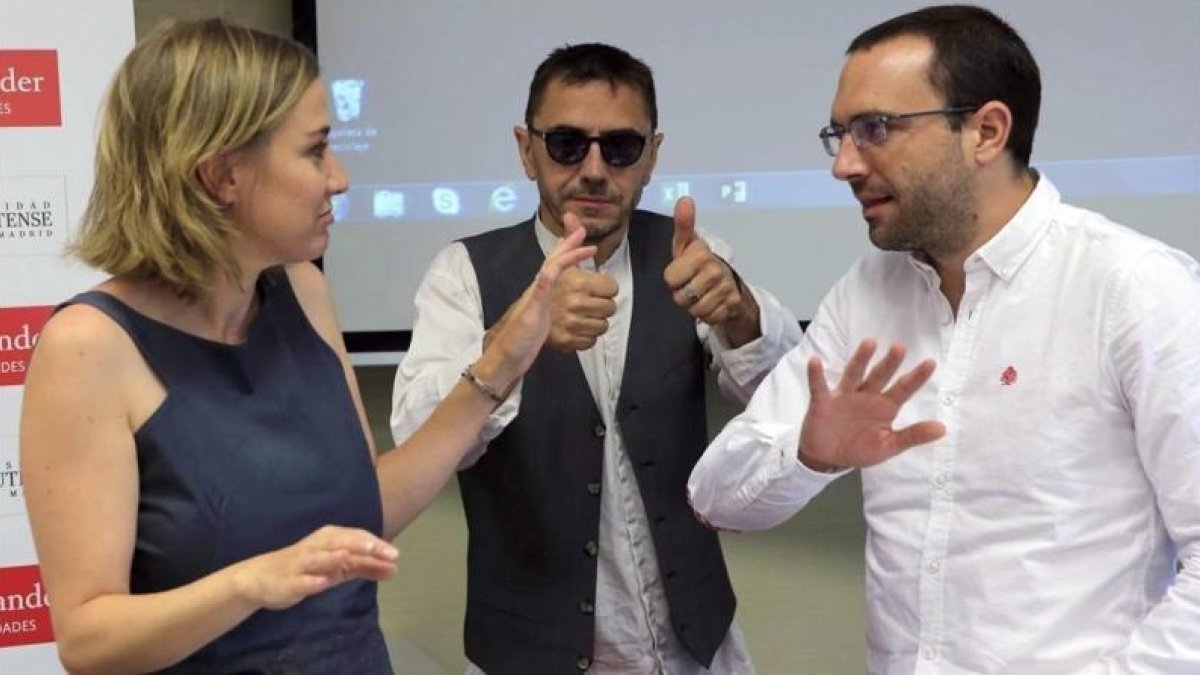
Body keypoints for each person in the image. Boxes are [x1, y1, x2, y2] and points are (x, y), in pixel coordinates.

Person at [18, 19, 594, 674]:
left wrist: (506, 358)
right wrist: (249, 582)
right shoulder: (90, 346)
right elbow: (89, 639)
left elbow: (361, 514)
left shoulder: (302, 292)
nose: (340, 178)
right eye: (315, 151)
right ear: (221, 174)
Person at [688, 4, 1200, 673]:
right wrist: (809, 456)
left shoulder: (1135, 288)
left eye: (875, 129)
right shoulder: (868, 291)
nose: (843, 165)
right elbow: (715, 497)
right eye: (838, 134)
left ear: (986, 131)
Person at [390, 43, 802, 673]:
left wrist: (741, 312)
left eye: (620, 147)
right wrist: (513, 341)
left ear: (652, 156)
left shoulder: (692, 254)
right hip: (529, 654)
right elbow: (417, 438)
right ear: (527, 151)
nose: (593, 169)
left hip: (693, 647)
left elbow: (793, 408)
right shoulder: (463, 274)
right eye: (565, 144)